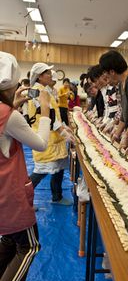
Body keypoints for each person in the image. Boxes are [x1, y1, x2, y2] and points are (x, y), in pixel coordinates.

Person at [0, 52, 51, 281]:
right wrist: (44, 109)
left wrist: (15, 105)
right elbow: (40, 143)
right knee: (29, 246)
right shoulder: (8, 115)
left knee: (9, 239)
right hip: (10, 193)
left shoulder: (8, 111)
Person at [28, 63, 74, 206]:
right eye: (47, 73)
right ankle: (23, 199)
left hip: (53, 138)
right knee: (41, 171)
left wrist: (63, 127)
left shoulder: (44, 90)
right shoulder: (37, 91)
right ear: (39, 76)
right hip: (46, 138)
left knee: (58, 167)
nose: (50, 75)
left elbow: (54, 114)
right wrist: (62, 131)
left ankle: (57, 196)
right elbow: (46, 115)